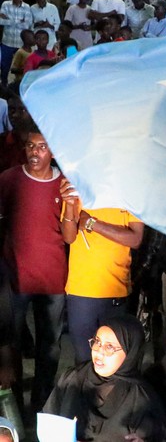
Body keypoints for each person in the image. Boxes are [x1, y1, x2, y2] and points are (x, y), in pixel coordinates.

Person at [0, 127, 66, 413]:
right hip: (15, 278)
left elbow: (70, 234)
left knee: (49, 347)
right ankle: (12, 406)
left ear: (53, 152)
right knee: (9, 346)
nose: (34, 152)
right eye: (30, 146)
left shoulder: (65, 185)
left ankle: (42, 406)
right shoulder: (8, 179)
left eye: (41, 147)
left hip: (52, 277)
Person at [59, 177, 145, 363]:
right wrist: (69, 203)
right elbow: (68, 237)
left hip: (116, 290)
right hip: (82, 291)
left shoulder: (131, 192)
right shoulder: (78, 185)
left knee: (113, 360)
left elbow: (135, 239)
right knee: (84, 360)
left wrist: (92, 223)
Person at [43, 316, 166, 440]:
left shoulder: (141, 399)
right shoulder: (73, 378)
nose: (99, 352)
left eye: (109, 347)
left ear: (130, 352)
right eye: (97, 342)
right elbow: (48, 422)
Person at [0, 0, 32, 85]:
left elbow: (27, 25)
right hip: (7, 42)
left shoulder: (27, 7)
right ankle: (4, 87)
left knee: (21, 67)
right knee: (4, 67)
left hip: (20, 43)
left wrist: (9, 19)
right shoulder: (5, 4)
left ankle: (19, 86)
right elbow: (1, 21)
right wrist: (19, 21)